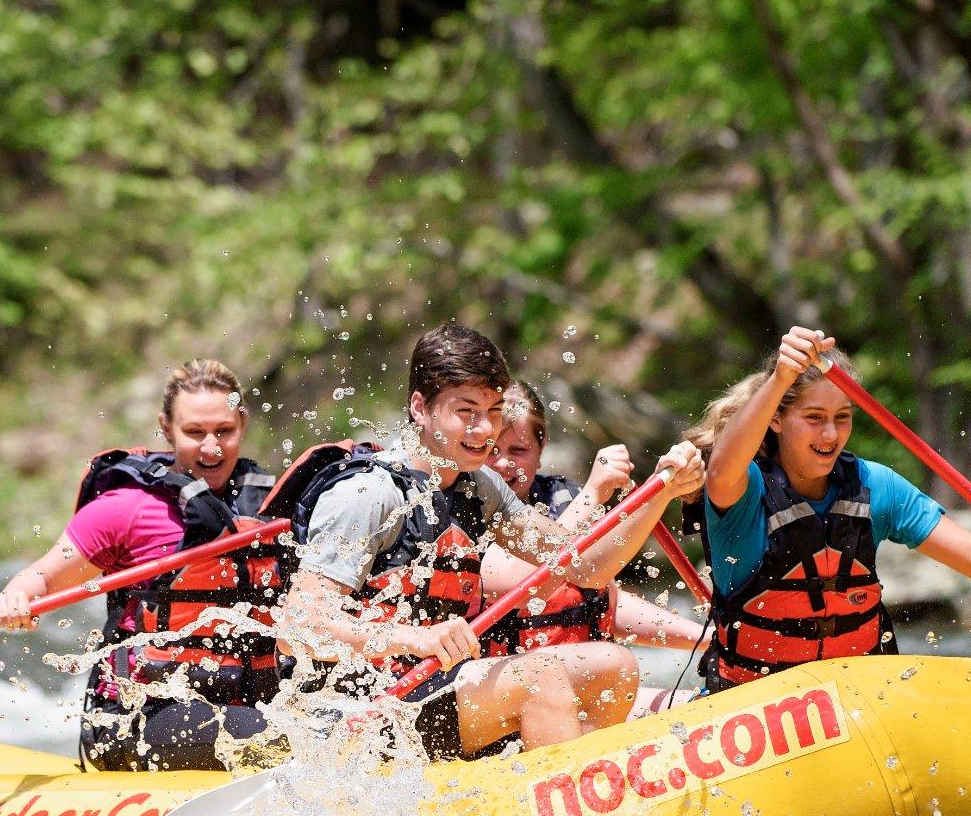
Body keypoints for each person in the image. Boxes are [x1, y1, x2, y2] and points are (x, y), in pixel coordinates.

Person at [278, 324, 705, 761]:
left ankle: (563, 786)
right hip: (353, 712)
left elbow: (583, 567)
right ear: (420, 408)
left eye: (495, 411)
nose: (485, 430)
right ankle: (563, 811)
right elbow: (298, 627)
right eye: (467, 412)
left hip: (429, 691)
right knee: (539, 675)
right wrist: (414, 639)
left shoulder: (479, 488)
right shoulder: (368, 494)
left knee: (614, 667)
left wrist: (660, 492)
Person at [690, 325, 971, 693]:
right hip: (751, 706)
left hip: (859, 702)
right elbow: (721, 471)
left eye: (842, 416)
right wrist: (779, 381)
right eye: (814, 417)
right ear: (776, 418)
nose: (830, 435)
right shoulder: (746, 490)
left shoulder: (876, 486)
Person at [0, 359, 285, 772]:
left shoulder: (271, 508)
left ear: (243, 423)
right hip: (140, 717)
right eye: (194, 432)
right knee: (285, 737)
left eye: (225, 431)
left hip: (245, 704)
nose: (212, 447)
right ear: (166, 428)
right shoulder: (126, 510)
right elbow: (42, 576)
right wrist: (15, 597)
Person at [482, 381, 705, 655]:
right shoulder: (469, 508)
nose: (504, 463)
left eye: (518, 450)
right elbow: (524, 585)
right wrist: (592, 493)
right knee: (616, 660)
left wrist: (706, 638)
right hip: (512, 682)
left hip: (585, 675)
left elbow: (600, 592)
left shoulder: (561, 496)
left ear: (541, 450)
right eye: (491, 451)